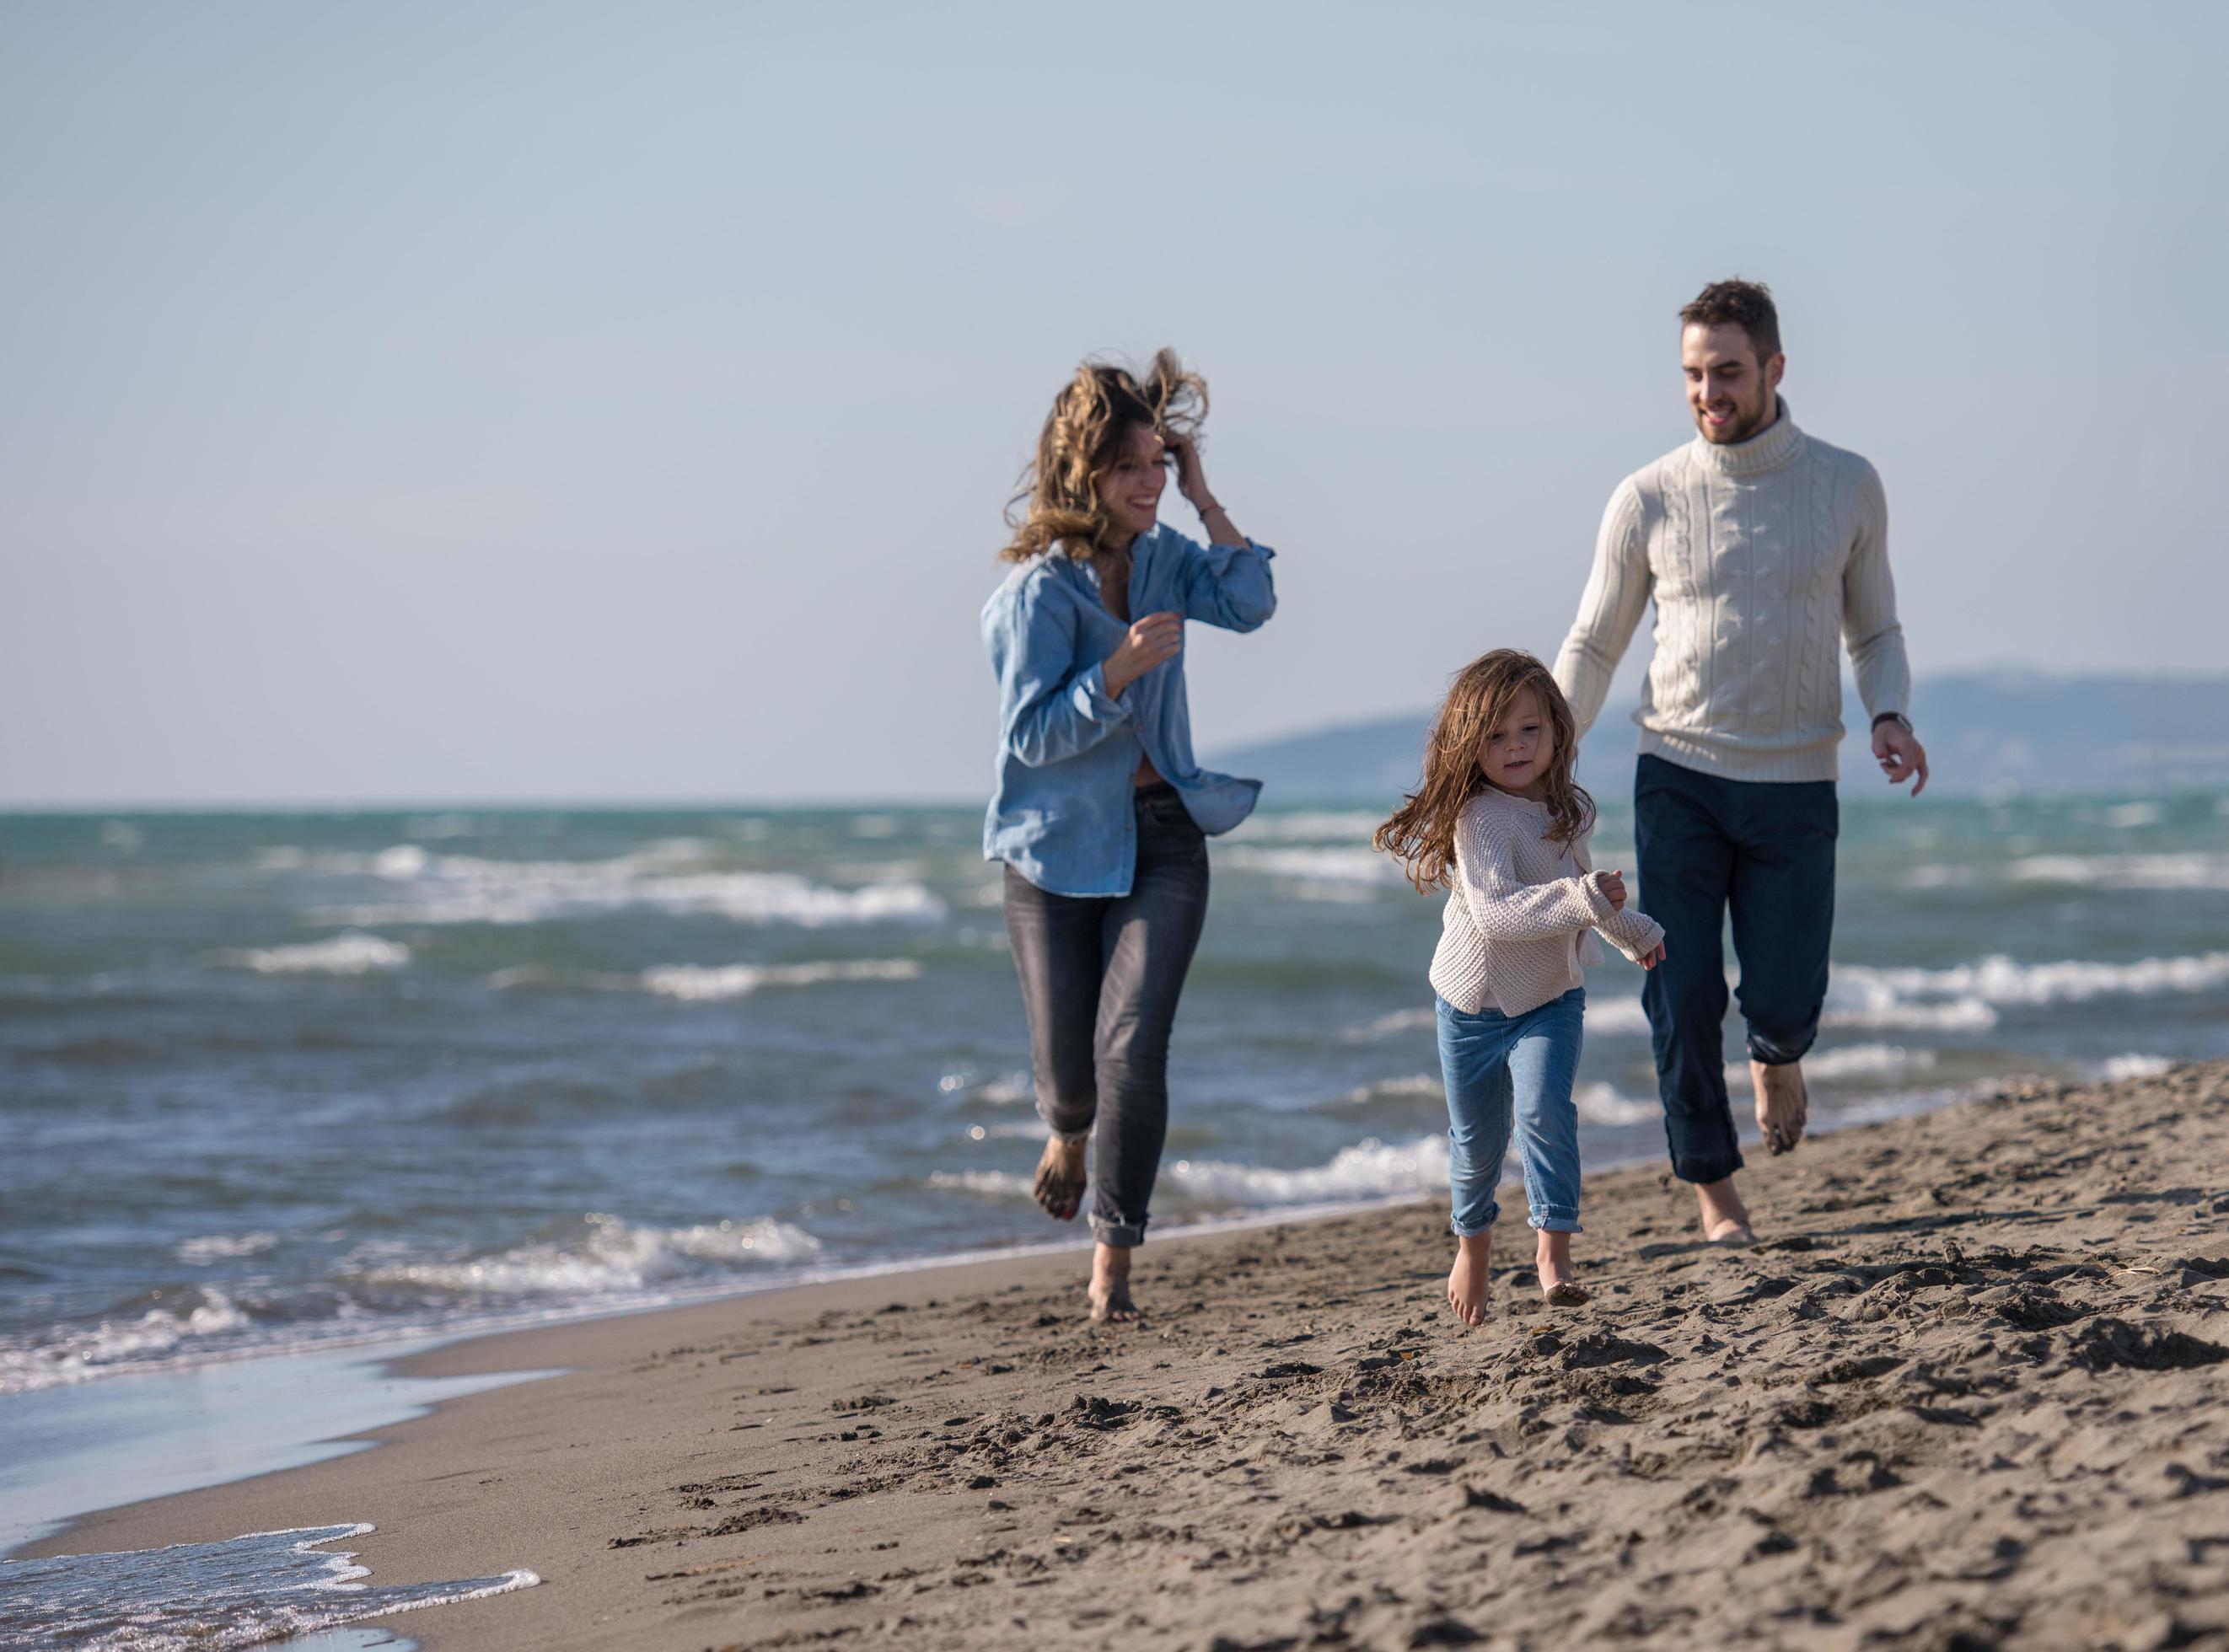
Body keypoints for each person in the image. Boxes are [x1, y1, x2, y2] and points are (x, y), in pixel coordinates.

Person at [1552, 278, 1930, 1247]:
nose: (1706, 392)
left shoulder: (1846, 485)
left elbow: (1875, 625)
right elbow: (1593, 644)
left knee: (1784, 990)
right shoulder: (1644, 497)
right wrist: (1548, 749)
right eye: (1691, 373)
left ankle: (1778, 1049)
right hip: (1675, 771)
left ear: (1772, 369)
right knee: (1675, 991)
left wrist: (1887, 711)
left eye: (1725, 371)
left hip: (1797, 779)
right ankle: (1716, 1195)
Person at [981, 349, 1277, 1322]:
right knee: (1072, 1079)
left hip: (1165, 834)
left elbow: (1249, 602)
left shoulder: (1163, 556)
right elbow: (1029, 734)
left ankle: (1112, 1262)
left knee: (1134, 1047)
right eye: (1131, 468)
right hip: (1053, 850)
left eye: (1158, 461)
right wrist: (1114, 675)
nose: (1148, 481)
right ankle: (1065, 1132)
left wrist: (1203, 497)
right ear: (1083, 474)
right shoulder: (1036, 594)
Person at [1375, 651, 1665, 1323]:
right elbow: (1501, 914)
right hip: (1472, 1007)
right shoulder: (1479, 817)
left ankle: (1553, 1250)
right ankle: (1472, 1245)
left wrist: (1636, 932)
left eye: (1529, 730)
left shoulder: (1566, 808)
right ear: (1468, 742)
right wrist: (1587, 897)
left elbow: (1583, 897)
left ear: (1557, 733)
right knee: (1477, 1147)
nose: (1514, 747)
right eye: (1497, 735)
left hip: (1551, 999)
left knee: (1543, 1110)